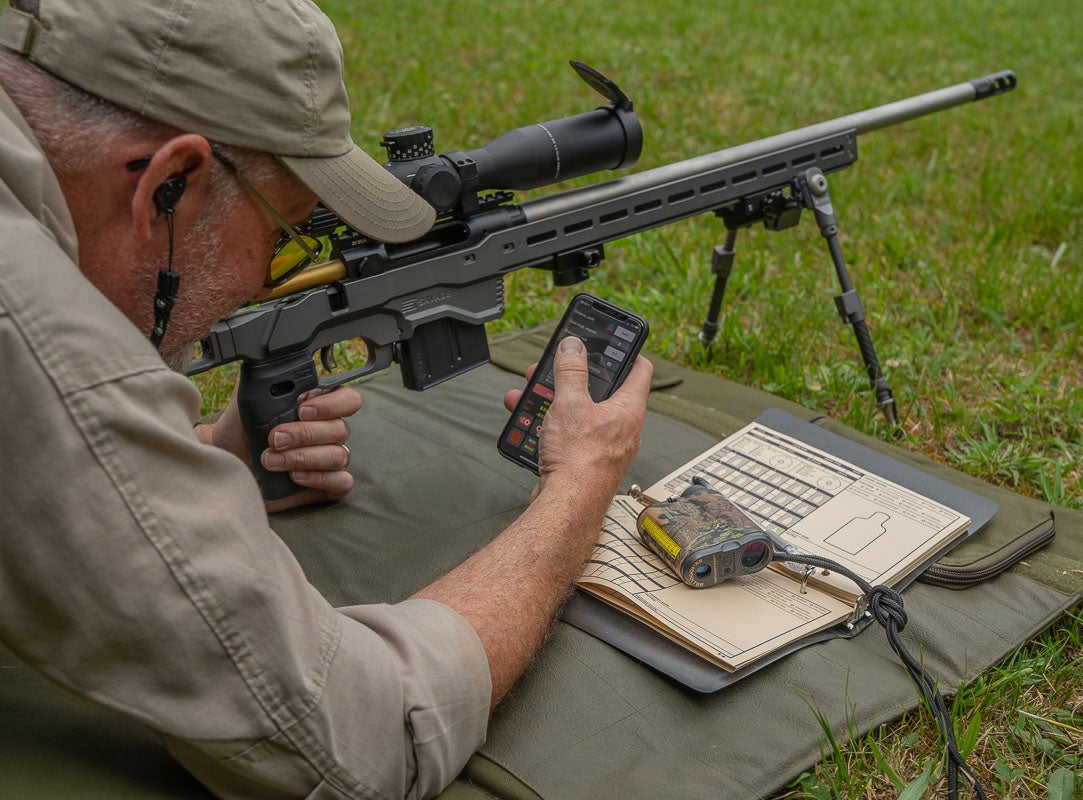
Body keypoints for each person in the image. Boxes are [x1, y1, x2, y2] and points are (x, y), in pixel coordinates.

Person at [0, 1, 652, 798]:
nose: (279, 274)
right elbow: (348, 741)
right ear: (171, 183)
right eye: (292, 236)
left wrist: (196, 460)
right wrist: (582, 484)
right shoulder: (29, 315)